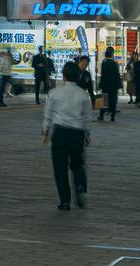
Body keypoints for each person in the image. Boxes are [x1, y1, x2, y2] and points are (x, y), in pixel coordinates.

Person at [42, 61, 91, 210]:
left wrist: (45, 131)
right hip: (77, 134)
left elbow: (47, 115)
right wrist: (87, 134)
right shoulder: (84, 95)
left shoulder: (54, 93)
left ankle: (65, 201)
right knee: (77, 164)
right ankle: (81, 186)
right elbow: (86, 118)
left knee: (60, 169)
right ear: (78, 76)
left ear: (63, 76)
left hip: (60, 134)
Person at [99, 47, 123, 121]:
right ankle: (112, 117)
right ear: (112, 55)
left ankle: (102, 115)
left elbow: (103, 75)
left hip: (105, 85)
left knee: (104, 100)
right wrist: (119, 84)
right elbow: (117, 75)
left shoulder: (104, 64)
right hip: (113, 86)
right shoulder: (115, 64)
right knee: (113, 100)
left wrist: (100, 84)